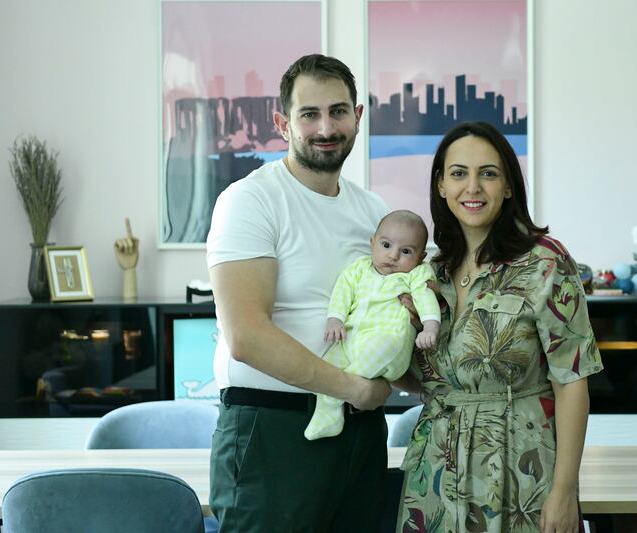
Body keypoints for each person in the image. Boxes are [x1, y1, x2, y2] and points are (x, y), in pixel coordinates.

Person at [205, 54, 394, 532]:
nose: (325, 127)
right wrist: (354, 388)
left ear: (358, 117)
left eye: (338, 111)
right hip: (272, 431)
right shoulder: (250, 200)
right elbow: (247, 336)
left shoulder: (375, 213)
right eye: (309, 114)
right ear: (282, 123)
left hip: (360, 433)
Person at [395, 122, 604, 533]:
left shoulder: (544, 262)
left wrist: (565, 492)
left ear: (508, 186)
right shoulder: (426, 273)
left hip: (521, 469)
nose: (472, 187)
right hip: (434, 474)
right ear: (440, 185)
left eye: (488, 173)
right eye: (458, 173)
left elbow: (572, 380)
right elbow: (418, 377)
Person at [305, 210, 442, 440]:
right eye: (386, 245)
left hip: (388, 341)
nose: (393, 256)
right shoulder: (359, 269)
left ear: (420, 257)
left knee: (379, 348)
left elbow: (425, 298)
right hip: (352, 338)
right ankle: (328, 416)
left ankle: (337, 396)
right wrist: (335, 318)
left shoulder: (416, 274)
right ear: (372, 243)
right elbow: (343, 291)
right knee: (328, 365)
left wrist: (430, 327)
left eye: (405, 251)